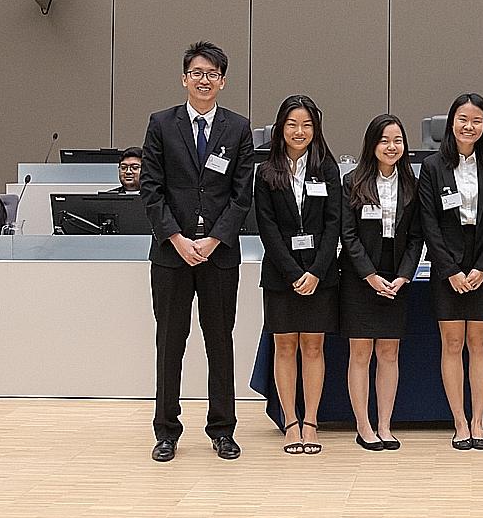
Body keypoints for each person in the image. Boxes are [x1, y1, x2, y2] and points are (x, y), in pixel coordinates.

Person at [140, 41, 255, 463]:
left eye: (212, 74)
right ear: (185, 78)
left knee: (219, 341)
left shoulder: (238, 128)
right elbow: (151, 190)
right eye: (197, 73)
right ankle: (166, 430)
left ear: (223, 81)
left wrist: (212, 240)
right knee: (170, 343)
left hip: (219, 255)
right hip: (171, 254)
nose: (204, 81)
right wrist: (176, 238)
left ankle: (222, 430)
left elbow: (242, 197)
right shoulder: (161, 125)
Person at [253, 94, 342, 456]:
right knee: (285, 345)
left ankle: (311, 421)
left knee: (314, 346)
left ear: (315, 128)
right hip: (280, 275)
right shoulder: (267, 172)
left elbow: (335, 223)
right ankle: (290, 420)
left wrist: (317, 271)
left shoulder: (328, 168)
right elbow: (267, 228)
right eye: (292, 124)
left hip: (321, 275)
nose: (299, 131)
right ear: (280, 129)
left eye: (306, 124)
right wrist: (293, 273)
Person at [418, 93, 483, 450]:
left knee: (479, 343)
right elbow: (428, 222)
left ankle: (479, 421)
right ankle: (460, 422)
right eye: (463, 120)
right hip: (446, 265)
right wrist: (450, 269)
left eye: (477, 121)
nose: (469, 127)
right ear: (451, 122)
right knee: (452, 344)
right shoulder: (433, 166)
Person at [338, 113, 423, 452]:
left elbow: (417, 237)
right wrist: (370, 276)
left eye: (398, 141)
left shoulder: (412, 186)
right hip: (361, 276)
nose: (391, 147)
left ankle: (385, 424)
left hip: (396, 276)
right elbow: (348, 235)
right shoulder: (353, 182)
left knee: (389, 352)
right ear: (372, 144)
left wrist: (403, 275)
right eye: (385, 140)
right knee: (360, 353)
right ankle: (364, 425)